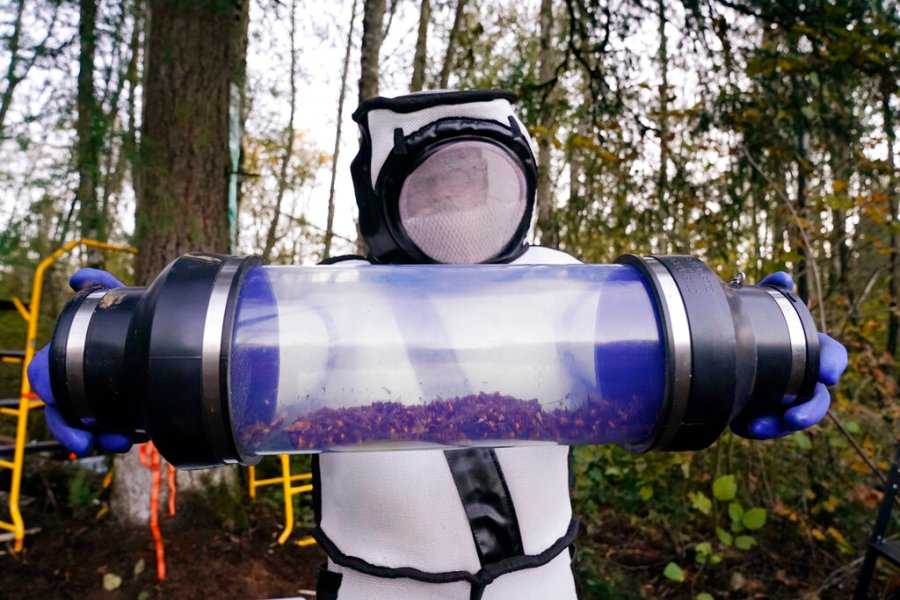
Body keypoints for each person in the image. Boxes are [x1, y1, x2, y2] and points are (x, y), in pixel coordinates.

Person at [29, 90, 848, 599]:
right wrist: (128, 366)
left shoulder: (578, 292)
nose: (458, 199)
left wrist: (750, 356)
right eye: (436, 181)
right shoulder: (319, 304)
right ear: (385, 189)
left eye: (477, 178)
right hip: (376, 591)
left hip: (537, 587)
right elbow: (218, 376)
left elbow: (674, 366)